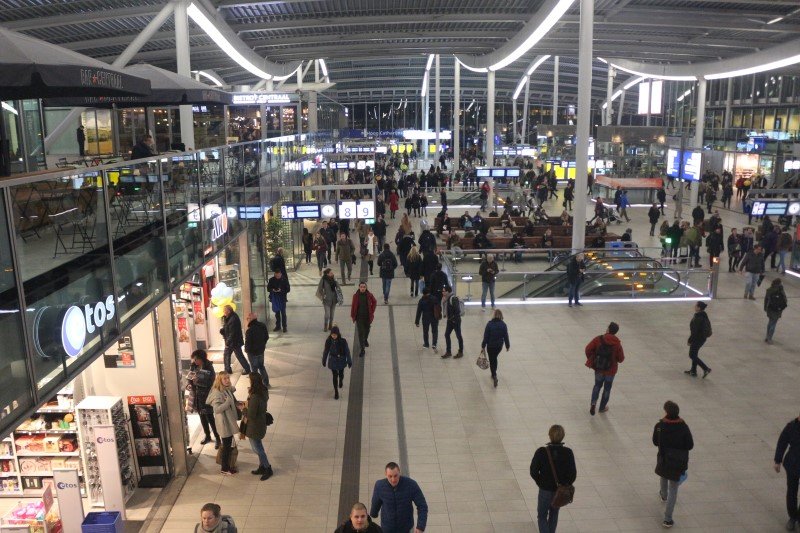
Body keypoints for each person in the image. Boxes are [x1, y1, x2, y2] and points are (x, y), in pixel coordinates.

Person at [653, 401, 694, 529]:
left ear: (666, 412)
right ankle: (667, 519)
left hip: (664, 458)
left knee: (664, 475)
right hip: (678, 461)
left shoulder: (659, 426)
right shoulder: (683, 427)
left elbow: (655, 442)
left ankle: (663, 495)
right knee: (674, 489)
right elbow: (690, 445)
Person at [529, 425, 577, 533]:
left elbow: (533, 471)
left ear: (549, 435)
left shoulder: (541, 452)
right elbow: (573, 475)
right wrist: (565, 484)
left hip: (545, 490)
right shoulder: (568, 453)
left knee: (542, 516)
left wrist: (541, 482)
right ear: (563, 436)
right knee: (554, 514)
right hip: (559, 491)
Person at [370, 462, 428, 533]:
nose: (393, 479)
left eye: (395, 476)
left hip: (405, 528)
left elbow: (422, 506)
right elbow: (375, 503)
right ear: (385, 474)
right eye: (390, 476)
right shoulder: (379, 486)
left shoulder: (411, 485)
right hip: (387, 528)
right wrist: (373, 513)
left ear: (399, 473)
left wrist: (420, 526)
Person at [584, 322, 625, 415]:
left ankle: (593, 403)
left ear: (608, 329)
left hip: (599, 368)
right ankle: (602, 407)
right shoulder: (617, 344)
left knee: (597, 386)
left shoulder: (599, 339)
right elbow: (621, 359)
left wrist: (592, 358)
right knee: (607, 389)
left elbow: (588, 349)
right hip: (611, 371)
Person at [206, 372, 239, 475]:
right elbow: (217, 409)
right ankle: (224, 469)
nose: (227, 380)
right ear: (219, 380)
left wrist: (231, 388)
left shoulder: (225, 389)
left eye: (228, 378)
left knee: (228, 446)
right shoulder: (217, 393)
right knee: (226, 447)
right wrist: (227, 402)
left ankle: (227, 466)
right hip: (224, 424)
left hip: (227, 422)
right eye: (225, 379)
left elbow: (231, 389)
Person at [243, 372, 273, 480]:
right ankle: (262, 466)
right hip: (261, 423)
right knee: (259, 446)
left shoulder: (255, 396)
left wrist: (244, 409)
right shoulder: (263, 391)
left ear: (253, 382)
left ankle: (267, 468)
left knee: (257, 449)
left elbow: (251, 415)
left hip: (254, 426)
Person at [188, 350, 219, 448]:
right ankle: (207, 436)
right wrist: (191, 383)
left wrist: (198, 381)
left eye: (196, 359)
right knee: (202, 417)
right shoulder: (193, 366)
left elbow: (211, 382)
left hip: (206, 396)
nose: (195, 361)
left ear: (202, 359)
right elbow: (190, 377)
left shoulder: (208, 367)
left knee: (210, 417)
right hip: (197, 396)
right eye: (194, 359)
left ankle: (218, 438)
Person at [774, 412, 800, 531]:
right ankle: (793, 517)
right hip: (793, 465)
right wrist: (777, 460)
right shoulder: (791, 426)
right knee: (792, 492)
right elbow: (782, 442)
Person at [481, 309, 510, 387]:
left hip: (490, 346)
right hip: (499, 346)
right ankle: (494, 373)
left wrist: (483, 345)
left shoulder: (489, 324)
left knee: (492, 359)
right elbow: (506, 336)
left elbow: (486, 336)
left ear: (494, 315)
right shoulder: (503, 325)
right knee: (494, 358)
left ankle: (494, 375)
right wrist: (507, 346)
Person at [322, 326, 352, 400]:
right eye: (332, 335)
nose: (334, 336)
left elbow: (347, 352)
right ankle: (336, 391)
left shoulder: (343, 341)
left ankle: (341, 380)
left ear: (338, 334)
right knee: (335, 376)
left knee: (341, 374)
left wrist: (349, 361)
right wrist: (324, 360)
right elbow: (326, 351)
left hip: (341, 360)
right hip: (333, 360)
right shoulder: (328, 341)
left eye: (335, 335)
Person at [220, 306, 252, 375]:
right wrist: (223, 330)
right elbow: (227, 328)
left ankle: (247, 369)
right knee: (228, 354)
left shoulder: (233, 319)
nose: (223, 312)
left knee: (238, 355)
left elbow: (232, 333)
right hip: (232, 341)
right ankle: (228, 369)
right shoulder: (229, 317)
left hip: (234, 342)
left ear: (228, 311)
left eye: (224, 310)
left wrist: (227, 342)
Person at [684, 301, 712, 378]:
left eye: (696, 306)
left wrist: (690, 340)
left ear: (699, 308)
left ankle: (706, 368)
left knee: (692, 355)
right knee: (694, 354)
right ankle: (693, 371)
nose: (694, 306)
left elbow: (694, 331)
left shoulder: (698, 317)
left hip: (698, 339)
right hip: (702, 338)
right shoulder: (703, 315)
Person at [350, 282, 377, 357]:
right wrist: (352, 315)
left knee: (367, 330)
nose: (362, 288)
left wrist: (372, 310)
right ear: (359, 287)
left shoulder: (369, 295)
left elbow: (374, 302)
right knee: (361, 333)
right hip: (359, 318)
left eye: (364, 287)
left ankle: (365, 340)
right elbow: (353, 306)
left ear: (366, 288)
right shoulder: (355, 296)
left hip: (367, 317)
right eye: (361, 287)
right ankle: (362, 349)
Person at [244, 313, 269, 388]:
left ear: (251, 319)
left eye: (248, 318)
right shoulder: (262, 325)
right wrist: (262, 345)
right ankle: (266, 383)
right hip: (261, 351)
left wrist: (247, 350)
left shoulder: (249, 330)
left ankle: (255, 386)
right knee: (261, 367)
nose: (247, 320)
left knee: (254, 370)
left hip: (252, 353)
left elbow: (248, 343)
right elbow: (266, 337)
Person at [440, 288, 464, 359]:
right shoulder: (447, 298)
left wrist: (453, 319)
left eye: (444, 291)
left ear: (448, 292)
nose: (442, 292)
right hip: (450, 320)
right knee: (447, 334)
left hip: (455, 321)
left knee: (458, 336)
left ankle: (460, 352)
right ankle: (448, 352)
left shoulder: (453, 298)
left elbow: (457, 310)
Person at [764, 278, 788, 344]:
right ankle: (769, 338)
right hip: (777, 309)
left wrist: (765, 308)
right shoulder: (781, 290)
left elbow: (766, 299)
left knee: (770, 322)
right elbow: (785, 300)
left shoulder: (769, 290)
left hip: (770, 308)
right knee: (773, 323)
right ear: (779, 283)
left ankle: (767, 336)